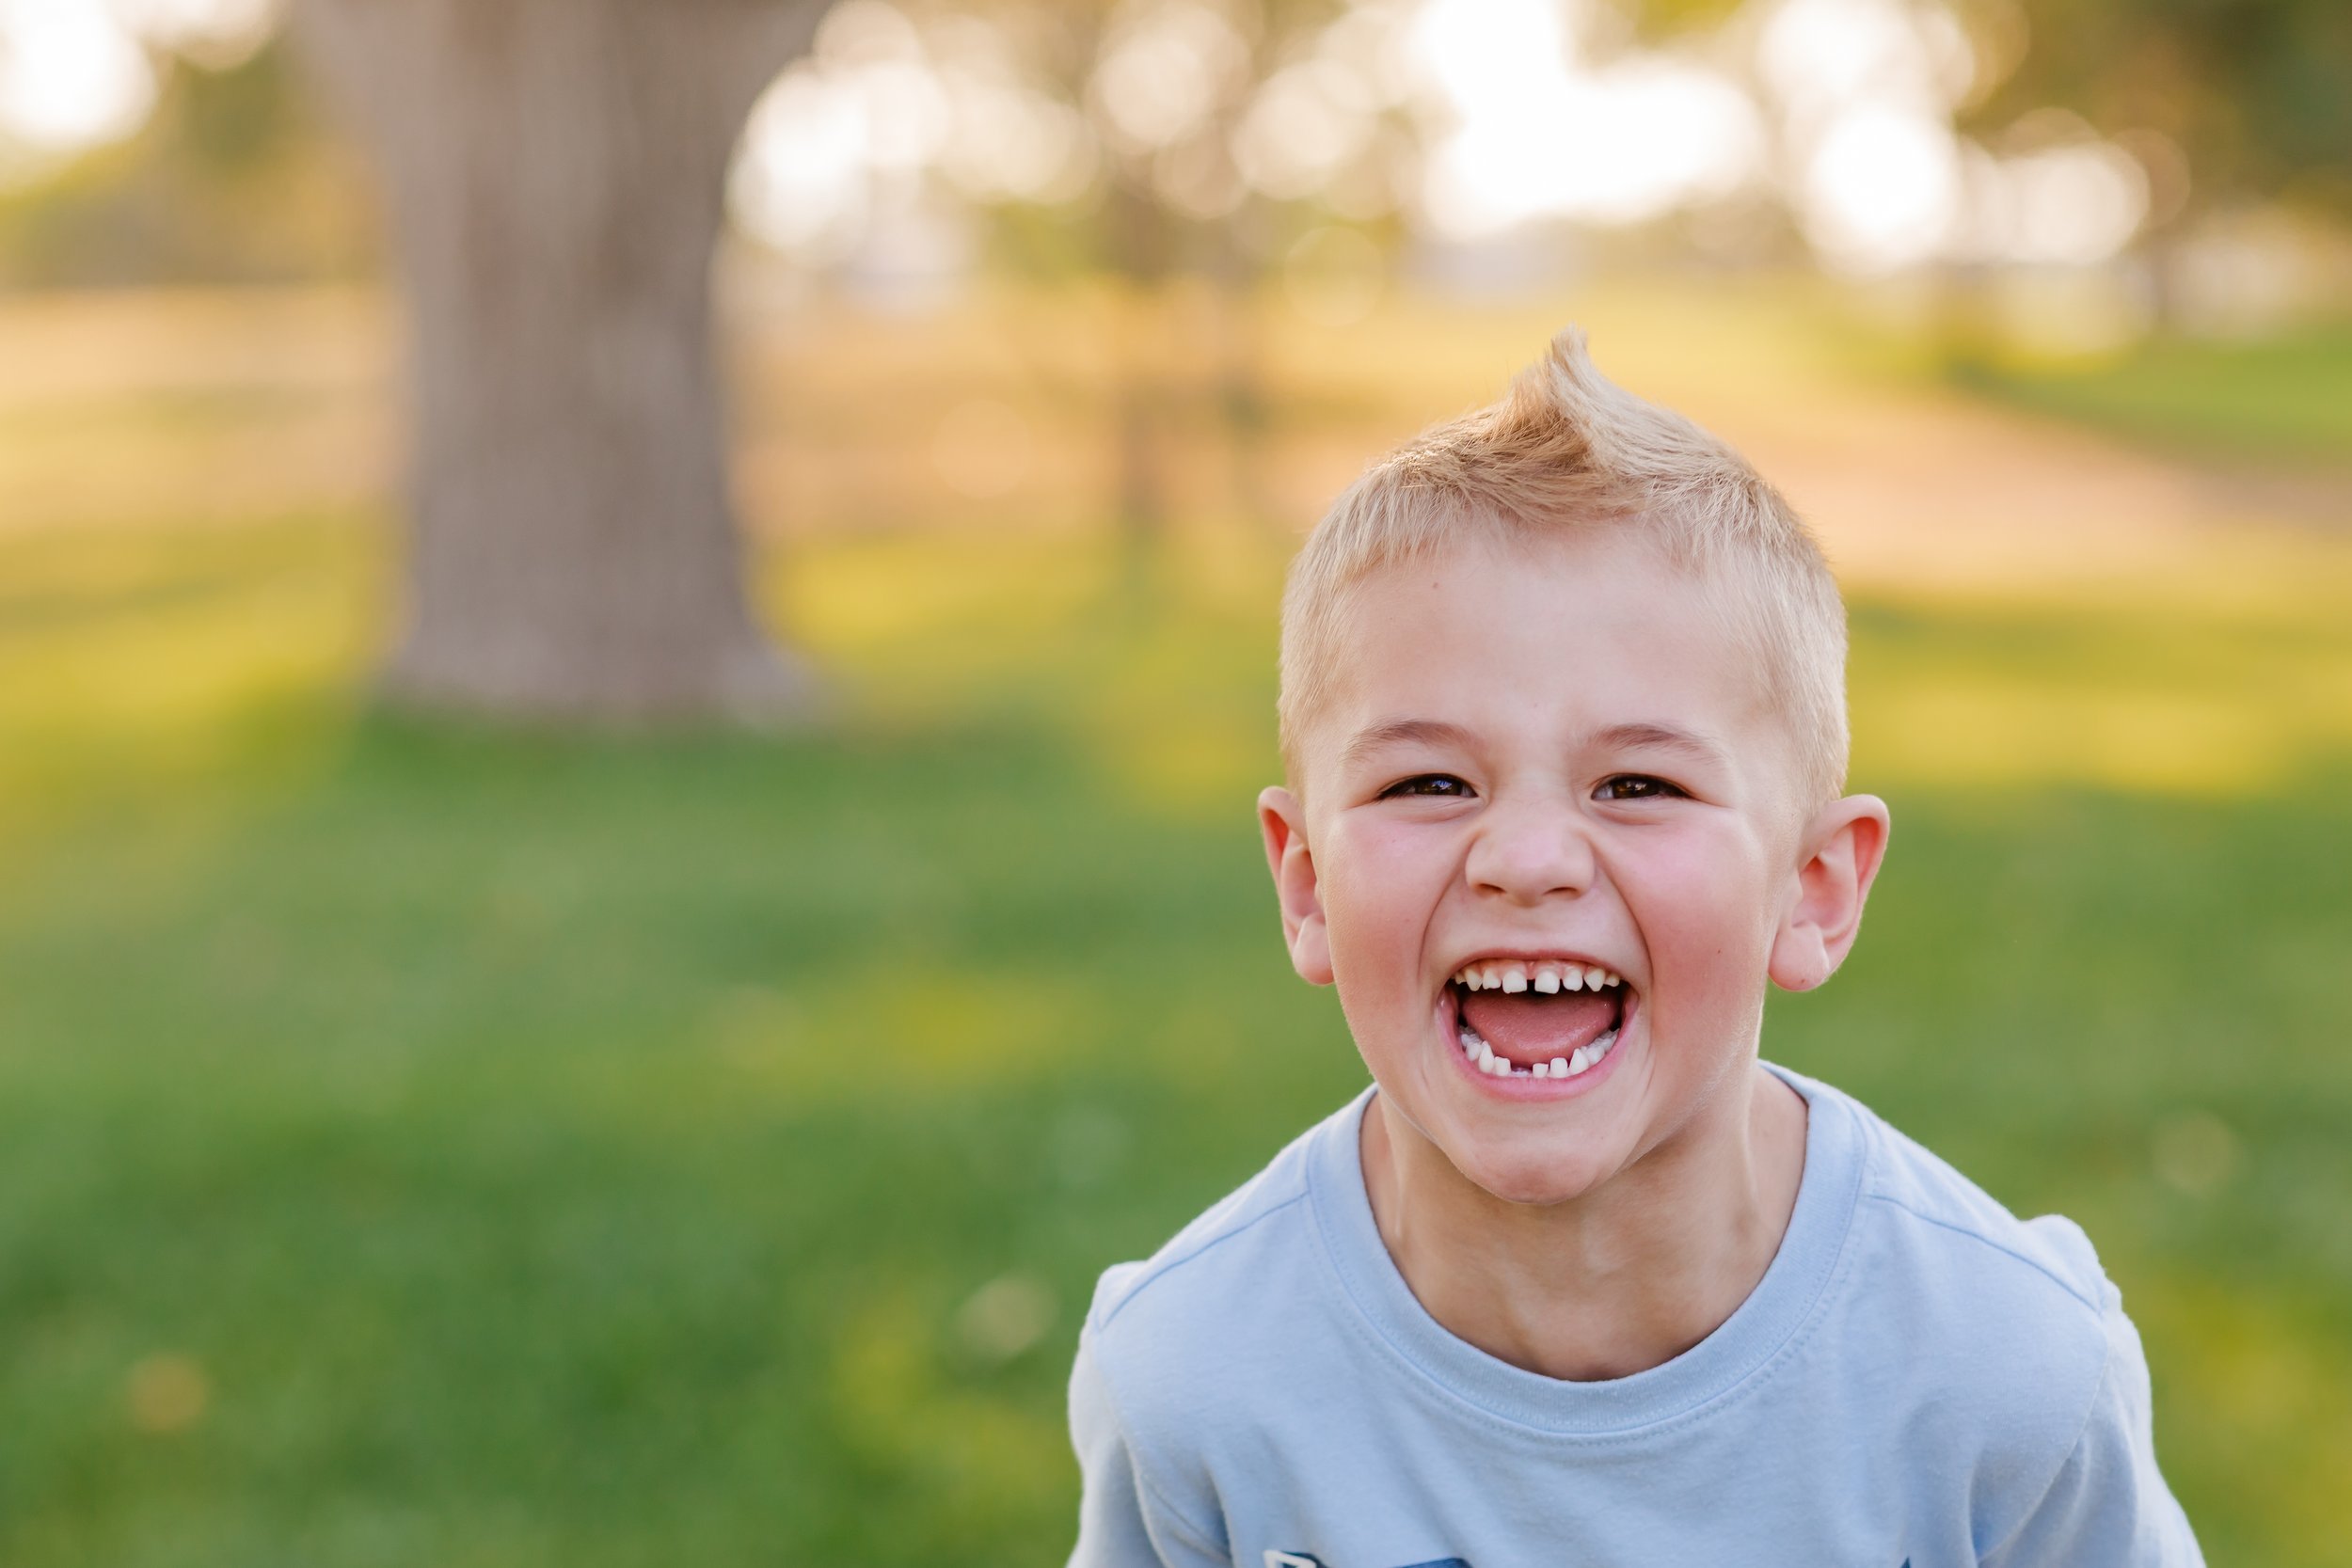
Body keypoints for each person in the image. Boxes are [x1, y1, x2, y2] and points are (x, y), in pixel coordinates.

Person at [1062, 329, 2202, 1567]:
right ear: (1306, 884)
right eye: (1429, 782)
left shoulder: (2010, 1374)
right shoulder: (1191, 1378)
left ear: (1813, 889)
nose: (1526, 858)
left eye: (1639, 784)